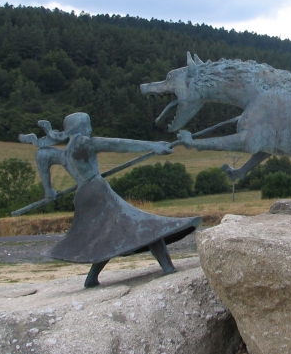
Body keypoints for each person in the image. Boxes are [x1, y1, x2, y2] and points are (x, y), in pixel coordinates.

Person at [23, 112, 201, 288]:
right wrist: (153, 146)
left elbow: (42, 156)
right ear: (81, 127)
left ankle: (92, 278)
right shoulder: (83, 142)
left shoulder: (64, 153)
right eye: (88, 124)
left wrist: (49, 191)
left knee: (106, 235)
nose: (91, 128)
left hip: (83, 195)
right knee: (147, 226)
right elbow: (117, 144)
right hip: (98, 191)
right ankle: (168, 267)